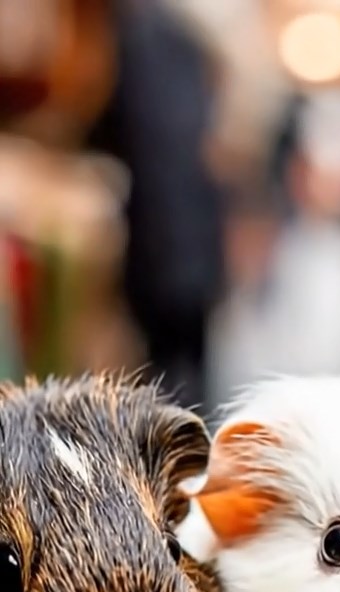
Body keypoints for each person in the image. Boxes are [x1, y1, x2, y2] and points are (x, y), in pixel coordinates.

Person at [90, 0, 224, 412]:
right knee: (185, 370)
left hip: (166, 246)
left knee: (173, 379)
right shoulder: (176, 32)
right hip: (190, 240)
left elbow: (149, 143)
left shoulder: (143, 34)